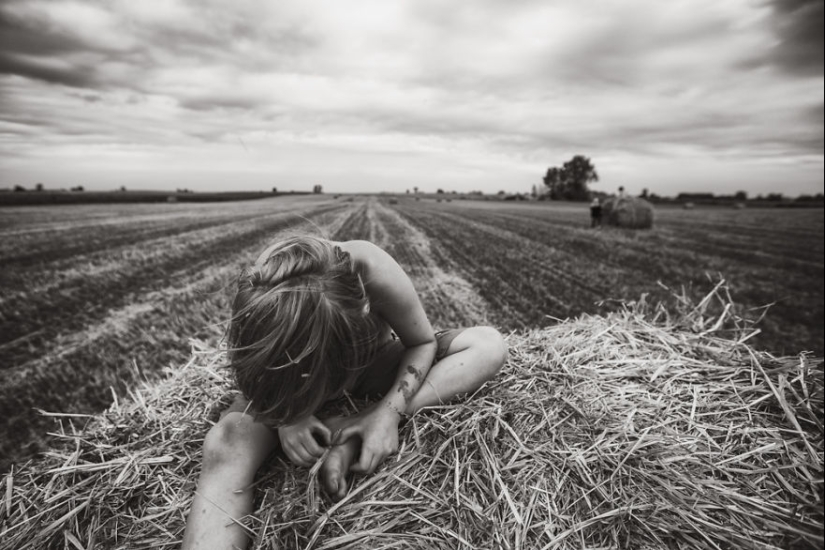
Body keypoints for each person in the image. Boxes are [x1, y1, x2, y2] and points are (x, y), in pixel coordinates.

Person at [182, 235, 508, 549]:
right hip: (287, 382)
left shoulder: (373, 269)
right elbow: (254, 371)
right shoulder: (268, 284)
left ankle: (360, 427)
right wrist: (289, 417)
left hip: (371, 366)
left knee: (487, 345)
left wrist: (388, 413)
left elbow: (422, 342)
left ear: (359, 315)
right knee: (225, 442)